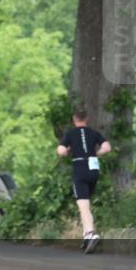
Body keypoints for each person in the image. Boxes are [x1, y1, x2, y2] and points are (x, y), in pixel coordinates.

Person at [57, 107, 111, 254]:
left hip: (79, 168)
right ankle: (86, 236)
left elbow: (61, 151)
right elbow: (107, 147)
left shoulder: (70, 133)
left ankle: (91, 233)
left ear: (74, 120)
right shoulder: (94, 133)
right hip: (93, 169)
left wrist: (67, 150)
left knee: (83, 205)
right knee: (86, 203)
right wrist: (96, 154)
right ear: (87, 119)